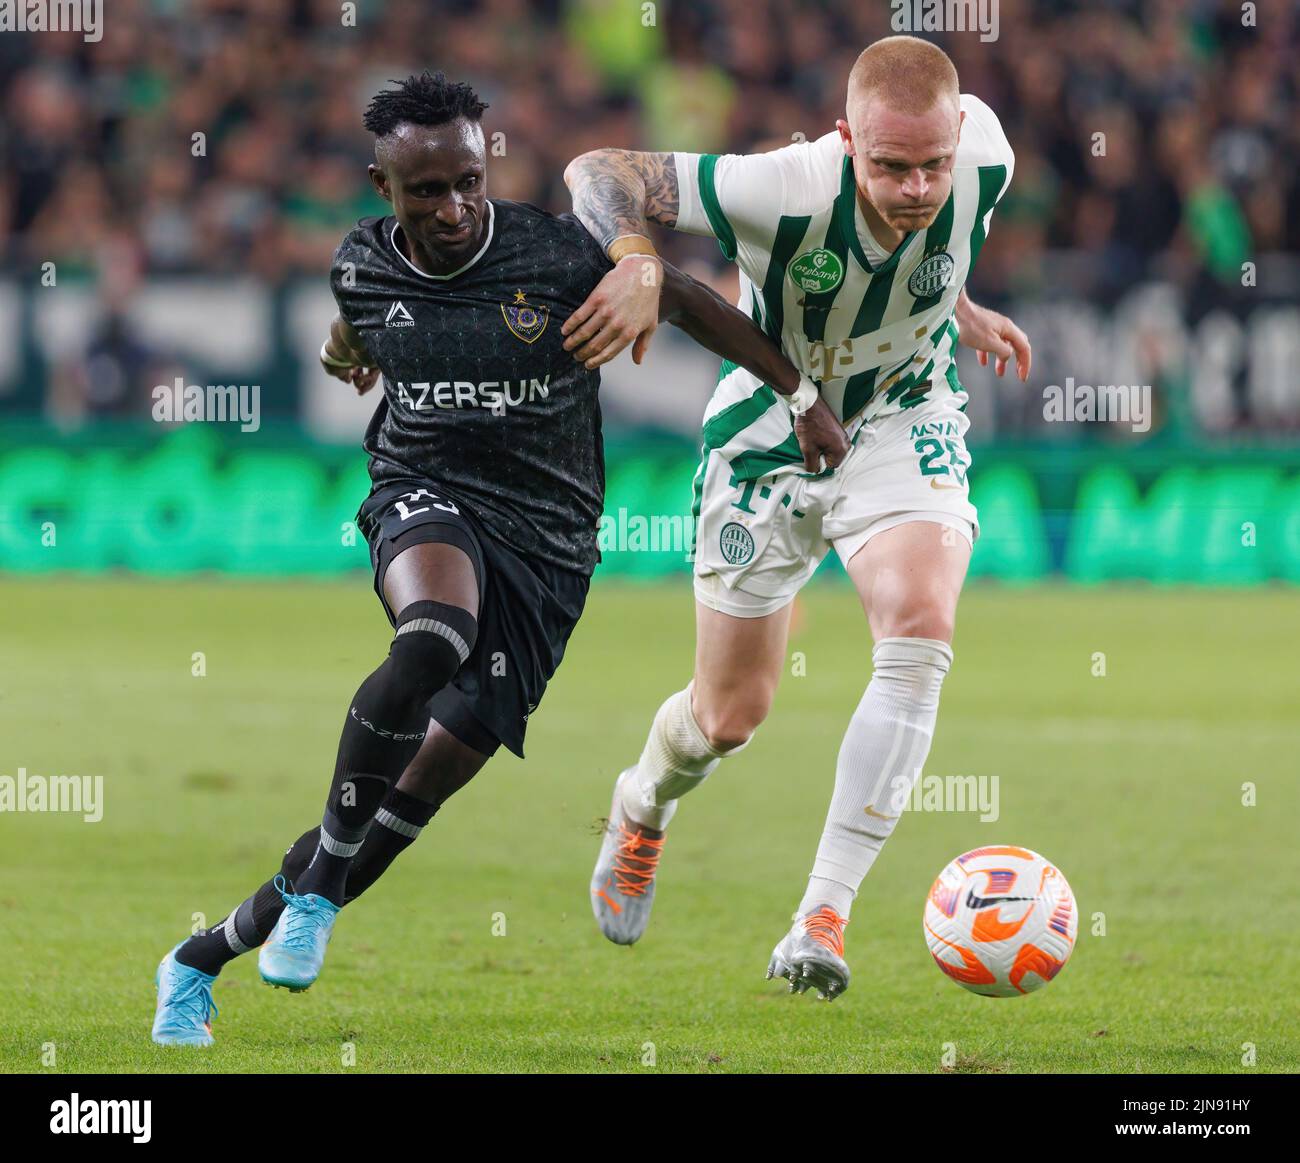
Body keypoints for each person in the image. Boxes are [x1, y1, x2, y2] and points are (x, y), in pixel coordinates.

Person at [151, 70, 826, 1046]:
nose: (456, 205)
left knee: (406, 803)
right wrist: (354, 350)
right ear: (383, 188)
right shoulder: (360, 263)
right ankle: (317, 895)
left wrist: (799, 393)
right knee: (432, 636)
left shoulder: (554, 255)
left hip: (548, 550)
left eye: (469, 180)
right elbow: (361, 323)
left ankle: (200, 955)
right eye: (427, 190)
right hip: (422, 494)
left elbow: (678, 297)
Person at [563, 36, 1032, 1000]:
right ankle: (642, 805)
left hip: (904, 413)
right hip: (766, 434)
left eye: (932, 166)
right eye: (891, 166)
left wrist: (959, 306)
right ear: (843, 139)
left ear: (958, 137)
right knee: (728, 718)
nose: (916, 187)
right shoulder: (777, 187)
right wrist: (637, 258)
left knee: (921, 625)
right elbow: (597, 170)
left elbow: (940, 245)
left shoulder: (986, 153)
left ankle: (822, 914)